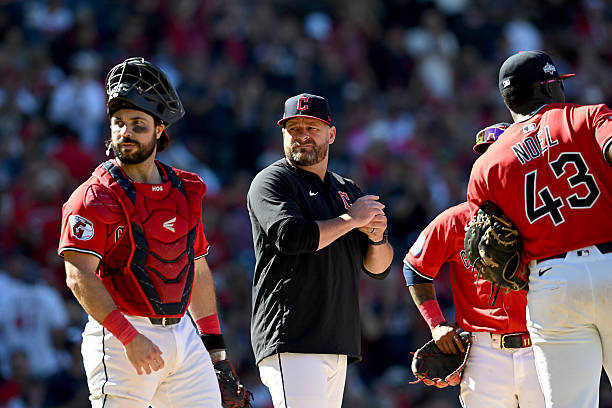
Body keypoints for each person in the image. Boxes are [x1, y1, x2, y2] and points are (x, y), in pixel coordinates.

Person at [58, 57, 231, 407]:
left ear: (159, 130)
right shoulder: (93, 196)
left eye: (138, 124)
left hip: (183, 333)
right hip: (121, 335)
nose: (126, 132)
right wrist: (128, 336)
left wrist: (215, 347)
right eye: (119, 123)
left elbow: (195, 267)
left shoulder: (185, 189)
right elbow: (78, 276)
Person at [467, 50, 612, 408]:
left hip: (551, 282)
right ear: (547, 87)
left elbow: (485, 246)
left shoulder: (486, 166)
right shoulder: (587, 116)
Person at [247, 93, 394, 408]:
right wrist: (351, 220)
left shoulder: (347, 190)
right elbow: (291, 237)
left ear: (331, 134)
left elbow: (378, 268)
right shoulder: (272, 180)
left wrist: (377, 238)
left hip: (337, 341)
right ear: (283, 134)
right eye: (293, 128)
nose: (302, 136)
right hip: (292, 336)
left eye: (311, 128)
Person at [404, 123, 545, 407]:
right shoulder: (456, 220)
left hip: (541, 342)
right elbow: (415, 268)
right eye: (487, 154)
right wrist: (436, 324)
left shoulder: (542, 211)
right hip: (483, 352)